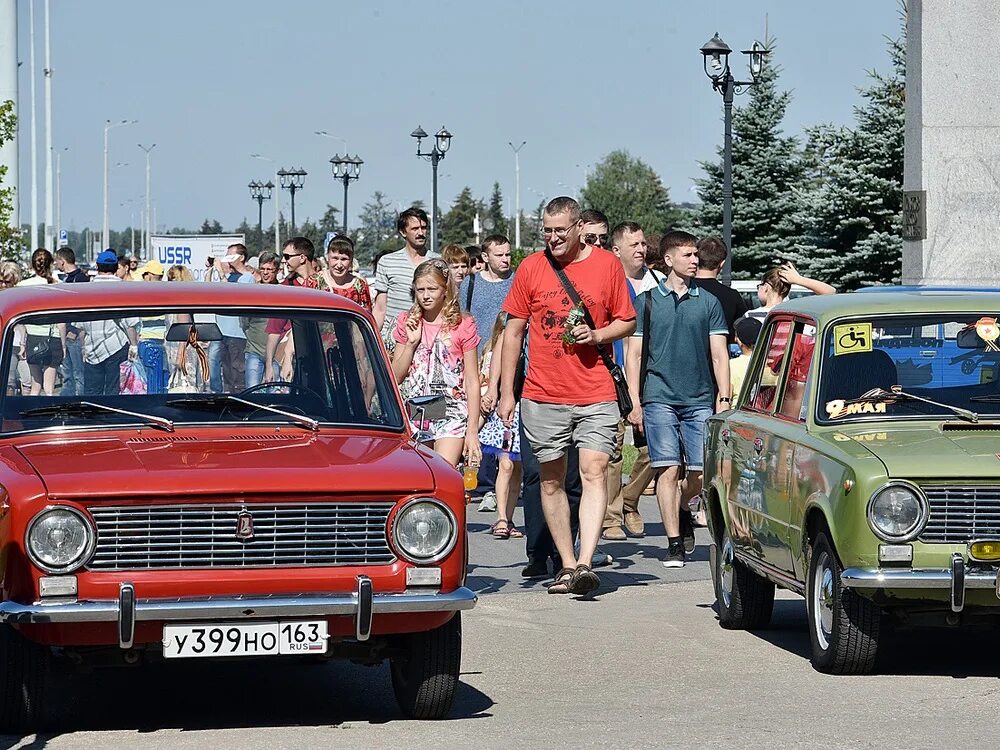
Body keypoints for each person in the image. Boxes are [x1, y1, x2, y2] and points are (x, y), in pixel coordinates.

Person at [499, 196, 636, 596]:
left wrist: (597, 336)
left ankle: (586, 561)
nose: (554, 237)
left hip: (595, 390)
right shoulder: (531, 267)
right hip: (543, 394)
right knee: (551, 480)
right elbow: (513, 332)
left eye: (561, 230)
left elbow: (627, 321)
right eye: (548, 230)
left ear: (579, 227)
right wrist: (508, 392)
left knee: (594, 471)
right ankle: (566, 562)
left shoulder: (606, 265)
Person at [625, 231, 731, 569]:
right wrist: (634, 400)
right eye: (687, 254)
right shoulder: (648, 302)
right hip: (658, 396)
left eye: (696, 254)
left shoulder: (708, 303)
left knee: (699, 473)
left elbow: (719, 355)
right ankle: (673, 543)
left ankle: (684, 509)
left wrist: (724, 397)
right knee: (667, 468)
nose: (695, 260)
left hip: (700, 397)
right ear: (669, 259)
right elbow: (635, 354)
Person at [603, 221, 663, 541]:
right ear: (617, 251)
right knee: (613, 449)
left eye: (642, 244)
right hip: (614, 376)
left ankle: (630, 499)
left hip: (652, 377)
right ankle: (612, 516)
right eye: (634, 245)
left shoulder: (659, 284)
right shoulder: (608, 285)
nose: (641, 250)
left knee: (656, 446)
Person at [391, 259, 482, 469]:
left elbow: (472, 380)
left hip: (451, 409)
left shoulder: (463, 324)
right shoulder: (407, 321)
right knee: (418, 475)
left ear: (444, 289)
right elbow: (395, 376)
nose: (426, 295)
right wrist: (411, 344)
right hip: (416, 410)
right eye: (420, 289)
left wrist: (472, 431)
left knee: (443, 471)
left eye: (432, 289)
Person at [478, 313, 524, 539]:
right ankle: (501, 518)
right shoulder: (508, 334)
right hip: (509, 407)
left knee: (518, 469)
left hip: (529, 406)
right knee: (506, 464)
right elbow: (496, 363)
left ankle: (510, 515)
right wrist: (493, 389)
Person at [264, 237, 332, 382]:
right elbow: (274, 330)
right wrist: (269, 365)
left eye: (287, 256)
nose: (283, 260)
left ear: (302, 258)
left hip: (327, 358)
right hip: (295, 361)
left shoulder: (325, 284)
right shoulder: (284, 289)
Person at [76, 250, 140, 396]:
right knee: (114, 391)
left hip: (92, 347)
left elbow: (80, 325)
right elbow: (129, 322)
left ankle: (93, 418)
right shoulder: (124, 290)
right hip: (116, 346)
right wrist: (134, 345)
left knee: (92, 393)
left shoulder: (85, 291)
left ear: (97, 267)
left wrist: (83, 347)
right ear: (115, 267)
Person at [372, 207, 437, 343]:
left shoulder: (438, 262)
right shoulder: (387, 262)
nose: (420, 233)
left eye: (424, 228)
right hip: (393, 340)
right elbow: (380, 308)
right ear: (403, 232)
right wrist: (373, 339)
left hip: (427, 339)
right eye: (415, 229)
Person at [16, 249, 64, 396]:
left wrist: (23, 343)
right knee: (50, 388)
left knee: (35, 385)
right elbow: (61, 320)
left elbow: (21, 319)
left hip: (32, 336)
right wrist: (63, 344)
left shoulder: (23, 285)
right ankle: (50, 416)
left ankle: (30, 416)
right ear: (51, 264)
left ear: (32, 264)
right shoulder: (59, 285)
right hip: (53, 337)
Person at [458, 234, 516, 356]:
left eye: (508, 254)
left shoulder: (518, 282)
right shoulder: (470, 283)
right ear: (485, 257)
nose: (505, 259)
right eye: (499, 255)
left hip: (508, 359)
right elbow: (460, 321)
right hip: (475, 357)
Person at [210, 243, 254, 392]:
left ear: (241, 257)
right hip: (221, 333)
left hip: (237, 335)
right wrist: (211, 269)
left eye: (231, 256)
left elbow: (234, 297)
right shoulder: (229, 277)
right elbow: (209, 289)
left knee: (238, 374)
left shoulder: (248, 278)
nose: (227, 260)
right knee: (224, 376)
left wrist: (222, 275)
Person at [694, 237, 749, 343]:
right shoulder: (732, 296)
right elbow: (741, 328)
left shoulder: (685, 290)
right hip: (721, 354)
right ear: (722, 264)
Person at [746, 262, 836, 321]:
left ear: (766, 287)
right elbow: (831, 292)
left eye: (759, 286)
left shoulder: (750, 316)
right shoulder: (799, 313)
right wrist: (799, 279)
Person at [242, 251, 280, 388]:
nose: (265, 273)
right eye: (262, 269)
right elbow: (244, 322)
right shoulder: (252, 293)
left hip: (277, 353)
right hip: (254, 351)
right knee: (252, 393)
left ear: (277, 271)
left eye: (269, 269)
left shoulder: (284, 292)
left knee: (275, 395)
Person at [55, 247, 89, 397]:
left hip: (75, 334)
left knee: (78, 374)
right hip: (66, 333)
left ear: (62, 261)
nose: (56, 263)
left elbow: (83, 309)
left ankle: (81, 402)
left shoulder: (80, 279)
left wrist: (76, 331)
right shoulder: (67, 279)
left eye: (57, 261)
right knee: (68, 374)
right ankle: (67, 400)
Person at [320, 235, 372, 310]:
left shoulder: (359, 286)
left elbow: (367, 313)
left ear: (351, 261)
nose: (339, 265)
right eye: (335, 258)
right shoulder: (313, 283)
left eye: (344, 259)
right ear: (327, 257)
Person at [731, 316, 762, 400]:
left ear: (740, 342)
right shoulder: (769, 364)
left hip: (736, 410)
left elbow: (726, 394)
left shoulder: (731, 365)